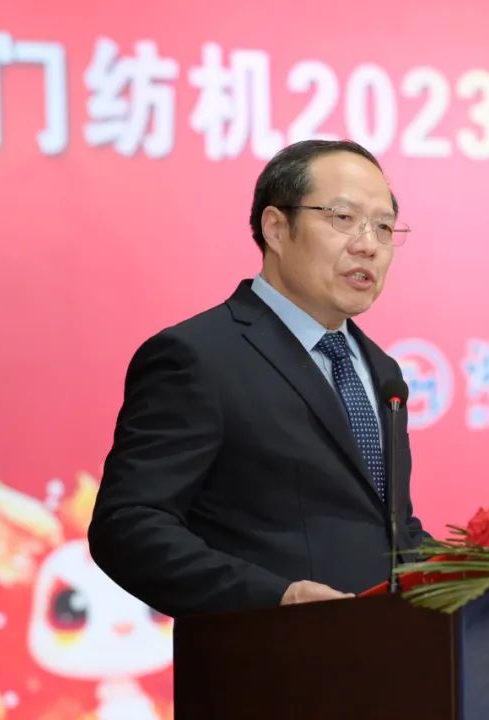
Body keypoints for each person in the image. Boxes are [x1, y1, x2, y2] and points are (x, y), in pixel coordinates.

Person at [88, 139, 428, 618]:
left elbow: (390, 530)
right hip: (263, 653)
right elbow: (128, 526)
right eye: (343, 218)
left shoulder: (382, 370)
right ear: (276, 228)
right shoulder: (199, 357)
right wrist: (275, 598)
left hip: (383, 654)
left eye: (384, 227)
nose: (368, 245)